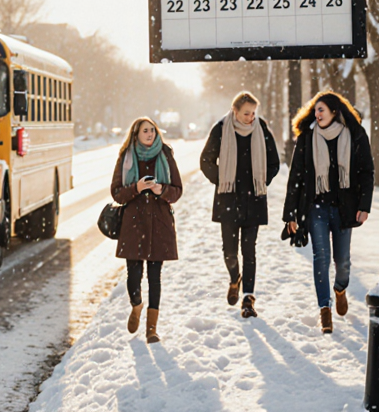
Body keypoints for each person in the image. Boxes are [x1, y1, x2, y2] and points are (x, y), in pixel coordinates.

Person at [283, 91, 374, 334]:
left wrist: (364, 206)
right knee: (320, 258)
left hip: (345, 209)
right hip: (316, 208)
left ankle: (340, 288)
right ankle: (325, 309)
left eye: (321, 109)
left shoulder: (354, 135)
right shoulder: (307, 138)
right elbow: (296, 177)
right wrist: (290, 214)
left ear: (335, 111)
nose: (317, 114)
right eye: (315, 110)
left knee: (342, 261)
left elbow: (367, 171)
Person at [199, 91, 280, 319]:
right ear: (235, 111)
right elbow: (205, 160)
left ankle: (248, 299)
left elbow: (274, 161)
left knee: (249, 250)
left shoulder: (261, 129)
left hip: (254, 199)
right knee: (230, 253)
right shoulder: (221, 129)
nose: (250, 117)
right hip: (228, 199)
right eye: (246, 113)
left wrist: (262, 181)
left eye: (253, 113)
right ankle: (235, 278)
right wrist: (223, 179)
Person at [110, 117, 183, 344]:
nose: (150, 134)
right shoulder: (127, 157)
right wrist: (137, 188)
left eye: (152, 130)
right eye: (145, 131)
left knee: (154, 276)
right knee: (133, 276)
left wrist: (162, 190)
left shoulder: (166, 154)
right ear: (136, 134)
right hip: (133, 223)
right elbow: (116, 193)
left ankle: (152, 329)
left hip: (159, 222)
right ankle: (136, 304)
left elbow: (178, 190)